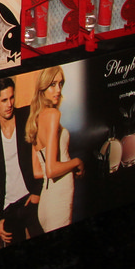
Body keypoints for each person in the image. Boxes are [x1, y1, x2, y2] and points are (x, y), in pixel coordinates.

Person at [28, 65, 82, 234]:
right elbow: (51, 170)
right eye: (52, 84)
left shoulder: (35, 119)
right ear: (42, 87)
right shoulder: (52, 115)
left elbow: (38, 172)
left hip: (46, 202)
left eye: (60, 84)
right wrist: (76, 162)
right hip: (58, 199)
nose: (58, 90)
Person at [0, 77, 41, 247]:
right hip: (9, 208)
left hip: (30, 198)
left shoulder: (26, 116)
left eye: (11, 98)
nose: (9, 104)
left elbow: (42, 152)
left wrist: (37, 192)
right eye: (4, 100)